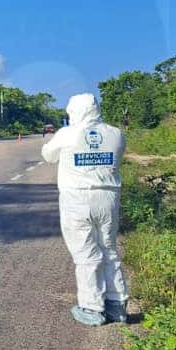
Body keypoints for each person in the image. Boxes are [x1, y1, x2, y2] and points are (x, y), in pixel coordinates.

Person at [41, 93, 129, 327]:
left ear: (76, 112)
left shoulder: (68, 134)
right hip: (108, 197)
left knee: (86, 254)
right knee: (109, 249)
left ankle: (92, 307)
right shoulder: (116, 134)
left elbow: (48, 156)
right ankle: (117, 305)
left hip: (77, 199)